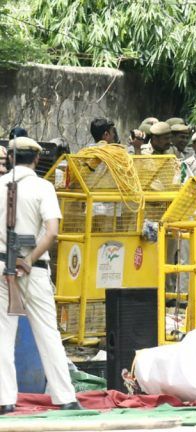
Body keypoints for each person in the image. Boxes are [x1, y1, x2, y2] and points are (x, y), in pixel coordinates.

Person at [0, 137, 82, 414]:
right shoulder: (42, 186)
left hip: (2, 269)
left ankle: (4, 400)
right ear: (36, 159)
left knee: (2, 336)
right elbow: (51, 232)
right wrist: (28, 260)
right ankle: (65, 397)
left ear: (11, 159)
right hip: (33, 270)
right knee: (48, 333)